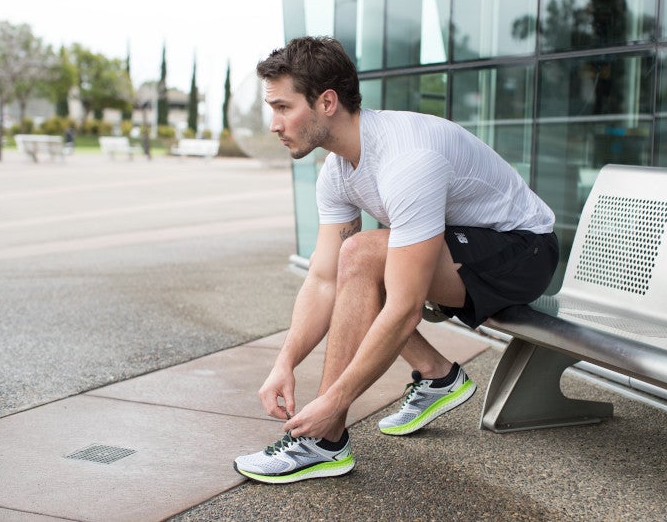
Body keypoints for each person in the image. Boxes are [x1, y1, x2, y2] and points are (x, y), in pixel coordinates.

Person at [233, 36, 558, 484]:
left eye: (283, 107)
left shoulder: (408, 159)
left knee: (363, 255)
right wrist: (284, 363)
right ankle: (437, 374)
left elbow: (404, 308)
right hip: (463, 248)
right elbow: (324, 280)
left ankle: (325, 440)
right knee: (357, 265)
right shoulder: (337, 171)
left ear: (327, 101)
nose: (274, 123)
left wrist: (333, 403)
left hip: (524, 251)